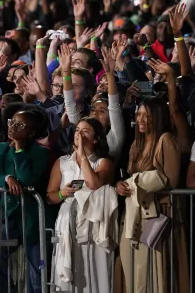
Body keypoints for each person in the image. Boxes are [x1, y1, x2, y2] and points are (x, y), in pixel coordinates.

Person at [115, 97, 189, 293]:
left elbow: (171, 181)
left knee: (155, 273)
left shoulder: (166, 139)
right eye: (138, 115)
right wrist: (121, 185)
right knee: (133, 269)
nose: (140, 120)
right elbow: (130, 177)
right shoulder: (136, 145)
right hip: (135, 214)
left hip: (159, 216)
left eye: (146, 116)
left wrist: (140, 182)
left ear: (157, 118)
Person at [0, 108, 53, 293]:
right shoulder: (2, 148)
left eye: (19, 124)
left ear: (31, 133)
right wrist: (6, 178)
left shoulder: (41, 152)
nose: (12, 126)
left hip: (35, 219)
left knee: (36, 276)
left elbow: (27, 178)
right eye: (12, 121)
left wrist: (20, 149)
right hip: (11, 214)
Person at [46, 117, 116, 293]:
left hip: (92, 220)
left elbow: (93, 183)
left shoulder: (103, 162)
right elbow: (50, 196)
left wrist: (83, 156)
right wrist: (63, 193)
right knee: (69, 265)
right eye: (77, 130)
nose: (79, 134)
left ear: (96, 139)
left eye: (85, 131)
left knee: (92, 265)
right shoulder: (62, 162)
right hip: (67, 217)